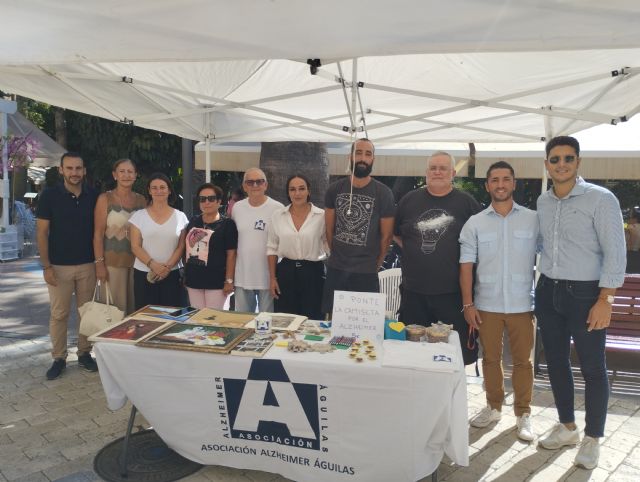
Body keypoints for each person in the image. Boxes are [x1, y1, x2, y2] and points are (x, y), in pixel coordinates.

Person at [535, 136, 626, 469]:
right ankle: (567, 426)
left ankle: (592, 439)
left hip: (587, 294)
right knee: (556, 362)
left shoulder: (601, 199)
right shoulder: (543, 202)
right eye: (555, 159)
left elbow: (616, 252)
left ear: (578, 162)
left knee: (592, 368)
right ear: (546, 164)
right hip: (548, 292)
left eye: (568, 158)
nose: (561, 164)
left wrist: (607, 298)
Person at [459, 161, 538, 441]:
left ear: (514, 183)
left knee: (523, 363)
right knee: (490, 359)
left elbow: (550, 258)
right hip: (487, 305)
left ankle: (523, 413)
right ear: (487, 185)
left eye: (506, 179)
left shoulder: (533, 219)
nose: (501, 184)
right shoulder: (475, 223)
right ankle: (493, 407)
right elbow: (466, 265)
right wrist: (468, 305)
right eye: (495, 180)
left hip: (522, 305)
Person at [394, 151, 481, 364]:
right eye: (433, 168)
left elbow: (481, 241)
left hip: (452, 295)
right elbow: (395, 233)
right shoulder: (409, 200)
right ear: (426, 173)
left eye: (443, 168)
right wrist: (415, 249)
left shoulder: (466, 203)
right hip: (413, 293)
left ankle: (449, 396)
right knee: (412, 353)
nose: (438, 172)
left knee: (453, 356)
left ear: (453, 173)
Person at [36, 152, 99, 380]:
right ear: (61, 170)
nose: (75, 173)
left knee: (87, 313)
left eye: (78, 168)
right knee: (59, 314)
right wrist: (46, 266)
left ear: (84, 171)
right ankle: (59, 358)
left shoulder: (93, 195)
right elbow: (42, 232)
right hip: (58, 266)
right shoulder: (49, 196)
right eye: (70, 168)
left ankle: (84, 354)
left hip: (88, 264)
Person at [322, 138, 395, 316]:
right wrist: (339, 254)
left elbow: (386, 237)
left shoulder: (383, 193)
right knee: (332, 321)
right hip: (336, 269)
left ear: (373, 160)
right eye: (358, 152)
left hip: (366, 272)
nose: (363, 158)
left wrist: (375, 265)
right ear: (351, 156)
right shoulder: (334, 189)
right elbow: (329, 230)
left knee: (366, 324)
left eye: (368, 154)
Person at [267, 174, 328, 320]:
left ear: (309, 191)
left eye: (302, 189)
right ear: (288, 193)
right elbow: (271, 248)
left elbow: (329, 244)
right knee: (285, 320)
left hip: (313, 273)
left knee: (313, 321)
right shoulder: (277, 216)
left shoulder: (322, 216)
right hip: (286, 273)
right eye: (292, 189)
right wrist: (272, 278)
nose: (297, 193)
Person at [93, 158, 146, 314]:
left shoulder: (141, 200)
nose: (126, 175)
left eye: (130, 171)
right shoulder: (105, 199)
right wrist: (99, 264)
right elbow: (97, 234)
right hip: (112, 264)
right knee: (114, 312)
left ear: (136, 175)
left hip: (137, 263)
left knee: (134, 310)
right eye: (122, 171)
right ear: (115, 175)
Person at [129, 173, 189, 309]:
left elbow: (181, 246)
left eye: (162, 187)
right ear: (149, 191)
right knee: (146, 318)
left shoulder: (180, 217)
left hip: (173, 273)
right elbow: (135, 246)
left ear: (169, 190)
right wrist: (154, 265)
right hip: (144, 273)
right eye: (154, 188)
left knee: (173, 316)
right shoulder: (138, 216)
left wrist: (167, 268)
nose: (159, 191)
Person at [231, 168, 284, 312]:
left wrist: (275, 277)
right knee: (242, 322)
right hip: (243, 275)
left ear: (266, 185)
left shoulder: (278, 209)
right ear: (244, 187)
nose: (255, 185)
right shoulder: (237, 208)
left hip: (268, 278)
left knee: (267, 323)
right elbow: (233, 242)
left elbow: (282, 242)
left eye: (259, 182)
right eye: (250, 182)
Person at [184, 183, 238, 309]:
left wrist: (229, 281)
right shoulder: (193, 221)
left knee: (215, 321)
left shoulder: (227, 224)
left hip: (217, 282)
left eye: (211, 199)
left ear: (219, 201)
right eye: (202, 199)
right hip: (194, 280)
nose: (206, 202)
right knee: (196, 320)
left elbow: (231, 254)